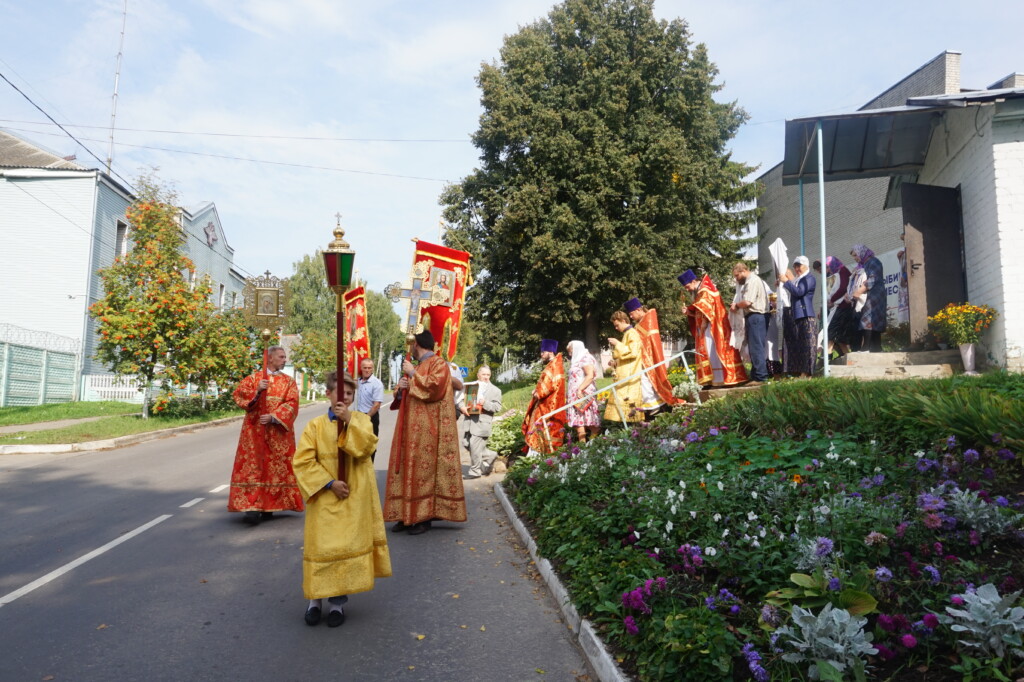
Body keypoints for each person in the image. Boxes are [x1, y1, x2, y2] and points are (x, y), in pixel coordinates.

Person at [292, 371, 391, 627]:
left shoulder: (362, 420)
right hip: (325, 496)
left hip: (353, 497)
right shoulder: (314, 426)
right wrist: (329, 483)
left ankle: (337, 605)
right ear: (328, 393)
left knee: (343, 550)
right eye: (340, 392)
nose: (344, 397)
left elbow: (366, 448)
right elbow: (302, 461)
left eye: (349, 393)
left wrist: (349, 422)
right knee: (322, 548)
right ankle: (315, 601)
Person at [383, 330, 467, 535]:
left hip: (429, 431)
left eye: (411, 344)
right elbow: (403, 394)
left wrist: (412, 374)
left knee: (424, 471)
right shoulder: (418, 366)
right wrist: (400, 388)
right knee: (406, 468)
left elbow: (434, 388)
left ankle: (424, 517)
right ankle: (406, 514)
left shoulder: (439, 364)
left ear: (416, 344)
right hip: (408, 430)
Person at [228, 345, 304, 524]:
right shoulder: (254, 378)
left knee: (275, 467)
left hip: (277, 433)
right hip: (254, 433)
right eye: (281, 356)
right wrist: (257, 392)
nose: (285, 360)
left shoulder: (288, 382)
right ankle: (252, 506)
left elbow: (293, 403)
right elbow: (239, 396)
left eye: (285, 357)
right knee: (254, 466)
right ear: (269, 358)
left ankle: (271, 504)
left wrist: (274, 417)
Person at [679, 269, 748, 387]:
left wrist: (704, 322)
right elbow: (699, 310)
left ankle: (722, 379)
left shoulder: (705, 290)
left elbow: (707, 309)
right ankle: (716, 380)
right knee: (711, 353)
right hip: (709, 326)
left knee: (714, 351)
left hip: (713, 327)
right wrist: (689, 311)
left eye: (687, 286)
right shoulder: (701, 290)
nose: (687, 289)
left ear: (693, 281)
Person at [625, 298, 676, 418]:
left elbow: (646, 340)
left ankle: (655, 406)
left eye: (631, 314)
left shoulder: (649, 317)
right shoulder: (641, 322)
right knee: (646, 381)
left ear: (638, 309)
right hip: (644, 357)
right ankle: (653, 405)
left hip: (650, 356)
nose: (631, 317)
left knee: (647, 380)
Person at [522, 339, 567, 455]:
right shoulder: (554, 364)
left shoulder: (554, 366)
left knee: (539, 430)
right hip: (547, 403)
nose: (541, 354)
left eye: (543, 352)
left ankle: (536, 458)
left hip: (549, 405)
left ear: (550, 351)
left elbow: (550, 384)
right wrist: (536, 390)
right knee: (538, 429)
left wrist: (538, 393)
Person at [458, 365, 503, 478]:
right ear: (478, 375)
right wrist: (462, 407)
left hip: (483, 423)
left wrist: (485, 403)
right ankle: (491, 455)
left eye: (488, 375)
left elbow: (497, 407)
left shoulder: (495, 390)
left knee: (474, 445)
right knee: (466, 444)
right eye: (484, 374)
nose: (486, 377)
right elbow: (461, 400)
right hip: (469, 421)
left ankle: (475, 471)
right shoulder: (471, 387)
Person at [730, 262, 769, 384]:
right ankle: (755, 375)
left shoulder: (752, 281)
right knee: (753, 347)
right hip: (753, 317)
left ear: (743, 271)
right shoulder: (749, 281)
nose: (736, 279)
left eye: (737, 276)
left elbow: (747, 302)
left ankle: (761, 377)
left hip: (756, 316)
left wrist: (736, 305)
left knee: (756, 347)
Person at [604, 311, 645, 423]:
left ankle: (632, 428)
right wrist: (616, 362)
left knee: (628, 402)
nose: (616, 328)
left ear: (623, 321)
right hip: (625, 372)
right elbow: (625, 355)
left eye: (617, 325)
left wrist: (617, 344)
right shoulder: (627, 334)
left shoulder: (632, 333)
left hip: (630, 374)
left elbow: (633, 352)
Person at [779, 256, 818, 377]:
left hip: (806, 315)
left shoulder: (809, 278)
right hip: (797, 315)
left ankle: (808, 372)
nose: (796, 269)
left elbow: (799, 292)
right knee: (799, 346)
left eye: (799, 266)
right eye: (795, 266)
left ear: (806, 265)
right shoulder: (799, 279)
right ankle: (799, 371)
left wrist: (786, 282)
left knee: (808, 346)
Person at [848, 244, 886, 352]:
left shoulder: (874, 262)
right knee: (873, 320)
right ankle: (876, 348)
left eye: (856, 255)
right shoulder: (863, 265)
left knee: (869, 319)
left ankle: (866, 348)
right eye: (854, 256)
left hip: (875, 295)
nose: (855, 258)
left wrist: (859, 291)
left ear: (862, 252)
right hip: (868, 295)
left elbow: (872, 279)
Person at [815, 257, 856, 357]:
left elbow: (843, 288)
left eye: (828, 267)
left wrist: (832, 299)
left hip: (843, 307)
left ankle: (824, 359)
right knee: (837, 336)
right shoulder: (836, 273)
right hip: (837, 307)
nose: (827, 270)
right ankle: (846, 358)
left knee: (831, 333)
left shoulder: (843, 271)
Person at [565, 340, 600, 442]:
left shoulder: (585, 359)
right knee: (579, 423)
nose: (570, 354)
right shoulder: (578, 360)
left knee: (590, 424)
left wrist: (580, 389)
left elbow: (590, 375)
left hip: (583, 394)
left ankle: (595, 443)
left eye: (571, 351)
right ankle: (583, 448)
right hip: (576, 395)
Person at [355, 358, 384, 461]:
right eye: (365, 368)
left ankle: (369, 468)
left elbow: (376, 405)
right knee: (357, 445)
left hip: (370, 417)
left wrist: (366, 418)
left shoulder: (377, 383)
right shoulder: (357, 382)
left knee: (370, 446)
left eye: (369, 368)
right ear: (361, 368)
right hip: (358, 416)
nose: (367, 370)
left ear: (372, 369)